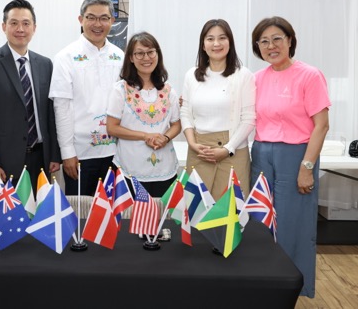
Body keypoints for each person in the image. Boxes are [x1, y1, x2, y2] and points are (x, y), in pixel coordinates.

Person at [250, 16, 330, 298]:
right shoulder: (256, 79)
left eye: (277, 39)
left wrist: (307, 167)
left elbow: (321, 125)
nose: (271, 46)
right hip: (261, 153)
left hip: (295, 155)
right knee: (260, 220)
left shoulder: (309, 75)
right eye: (264, 41)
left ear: (290, 41)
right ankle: (263, 282)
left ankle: (292, 287)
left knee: (293, 223)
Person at [0, 0, 61, 191]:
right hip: (6, 162)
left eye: (26, 23)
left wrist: (54, 154)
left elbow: (50, 114)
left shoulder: (45, 64)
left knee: (41, 208)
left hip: (41, 158)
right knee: (10, 210)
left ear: (34, 28)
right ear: (4, 26)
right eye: (14, 23)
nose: (20, 29)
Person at [49, 0, 124, 196]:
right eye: (91, 17)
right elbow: (62, 108)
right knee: (81, 210)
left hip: (116, 153)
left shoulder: (120, 56)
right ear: (81, 19)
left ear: (112, 21)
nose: (97, 24)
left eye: (104, 18)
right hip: (80, 154)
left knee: (113, 210)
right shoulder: (65, 57)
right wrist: (67, 152)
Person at [180, 19, 256, 197]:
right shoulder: (191, 75)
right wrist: (192, 143)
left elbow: (249, 118)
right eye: (210, 39)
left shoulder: (243, 75)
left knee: (231, 209)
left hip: (233, 151)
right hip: (199, 150)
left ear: (230, 42)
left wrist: (228, 148)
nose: (216, 44)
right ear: (203, 45)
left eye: (222, 38)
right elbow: (185, 112)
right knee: (196, 208)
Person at [106, 31, 181, 197]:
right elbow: (112, 128)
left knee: (163, 211)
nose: (146, 58)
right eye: (139, 53)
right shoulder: (120, 90)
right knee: (132, 213)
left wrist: (165, 138)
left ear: (157, 54)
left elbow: (176, 124)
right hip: (130, 169)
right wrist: (145, 136)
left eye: (150, 52)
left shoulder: (168, 90)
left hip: (165, 169)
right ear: (131, 58)